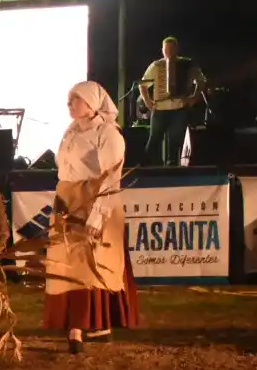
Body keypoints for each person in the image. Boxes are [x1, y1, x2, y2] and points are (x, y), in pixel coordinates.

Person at [43, 81, 140, 353]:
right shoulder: (71, 131)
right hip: (68, 200)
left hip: (95, 200)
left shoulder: (108, 134)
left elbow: (111, 177)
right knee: (66, 265)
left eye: (75, 100)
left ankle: (84, 326)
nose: (70, 105)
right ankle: (83, 324)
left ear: (91, 103)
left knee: (92, 265)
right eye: (69, 100)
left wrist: (96, 218)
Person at [139, 36, 205, 167]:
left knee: (175, 140)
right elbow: (143, 85)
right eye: (166, 49)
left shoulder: (187, 64)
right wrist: (148, 101)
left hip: (179, 108)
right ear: (162, 50)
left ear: (177, 49)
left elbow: (201, 81)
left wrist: (194, 97)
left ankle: (172, 166)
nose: (168, 51)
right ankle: (146, 166)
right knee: (154, 139)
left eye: (171, 48)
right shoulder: (156, 65)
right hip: (160, 108)